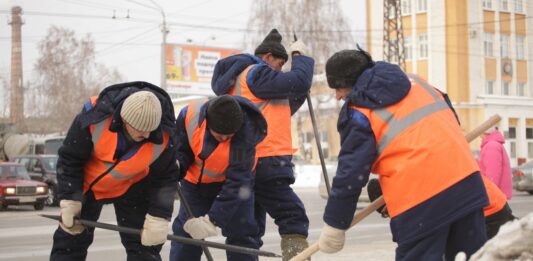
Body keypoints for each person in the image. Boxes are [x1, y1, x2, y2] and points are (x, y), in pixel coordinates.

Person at [319, 47, 489, 260]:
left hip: (421, 201)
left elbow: (350, 172)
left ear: (351, 82)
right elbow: (449, 122)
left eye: (338, 88)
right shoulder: (418, 83)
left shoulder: (359, 111)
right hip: (466, 185)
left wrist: (335, 224)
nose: (337, 96)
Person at [211, 28, 314, 260]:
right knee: (292, 217)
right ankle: (297, 257)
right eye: (279, 64)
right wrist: (300, 58)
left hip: (247, 160)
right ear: (267, 57)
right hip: (266, 158)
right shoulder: (256, 73)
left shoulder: (242, 80)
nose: (279, 71)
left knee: (245, 231)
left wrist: (299, 86)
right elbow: (297, 81)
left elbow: (282, 105)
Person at [50, 82, 179, 261]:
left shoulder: (163, 136)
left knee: (144, 246)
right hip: (87, 187)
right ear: (125, 120)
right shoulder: (94, 118)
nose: (148, 136)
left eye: (151, 130)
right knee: (70, 242)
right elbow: (70, 159)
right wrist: (70, 198)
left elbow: (166, 178)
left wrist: (159, 217)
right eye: (141, 130)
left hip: (133, 187)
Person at [170, 95, 267, 261]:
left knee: (242, 237)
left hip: (233, 187)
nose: (224, 140)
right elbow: (183, 149)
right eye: (220, 135)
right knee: (186, 235)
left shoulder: (244, 136)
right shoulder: (190, 116)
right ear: (208, 123)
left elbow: (237, 183)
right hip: (195, 185)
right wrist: (178, 167)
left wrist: (212, 220)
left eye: (229, 136)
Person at [367, 174, 516, 239]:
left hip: (487, 210)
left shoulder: (414, 189)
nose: (392, 215)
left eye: (388, 211)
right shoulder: (406, 184)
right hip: (485, 203)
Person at [478, 126, 513, 199]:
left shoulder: (491, 146)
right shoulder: (493, 145)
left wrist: (488, 195)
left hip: (494, 197)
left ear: (485, 134)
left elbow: (493, 174)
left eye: (480, 136)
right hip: (497, 195)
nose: (480, 139)